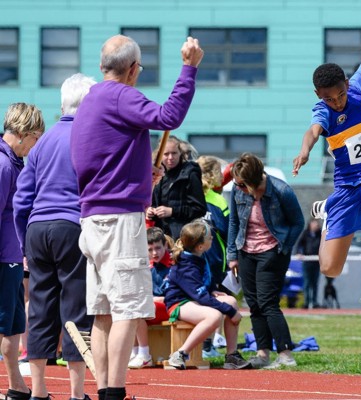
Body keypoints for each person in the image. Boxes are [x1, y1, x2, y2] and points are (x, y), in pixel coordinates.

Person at [70, 34, 203, 400]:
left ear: (103, 66)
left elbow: (98, 157)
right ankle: (114, 391)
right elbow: (169, 116)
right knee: (127, 309)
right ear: (131, 69)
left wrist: (142, 172)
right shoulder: (121, 95)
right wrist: (188, 69)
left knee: (101, 313)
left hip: (92, 217)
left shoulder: (91, 100)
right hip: (120, 220)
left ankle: (104, 390)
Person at [291, 0, 361, 277]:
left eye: (340, 95)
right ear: (319, 95)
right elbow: (312, 131)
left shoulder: (358, 89)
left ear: (347, 85)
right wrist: (304, 151)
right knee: (330, 268)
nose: (337, 102)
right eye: (329, 98)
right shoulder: (323, 111)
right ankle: (329, 210)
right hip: (346, 186)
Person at [13, 74, 96, 400]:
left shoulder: (42, 142)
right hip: (71, 226)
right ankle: (77, 394)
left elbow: (22, 200)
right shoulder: (89, 136)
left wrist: (24, 241)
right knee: (75, 310)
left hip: (36, 229)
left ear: (62, 103)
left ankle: (39, 391)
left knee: (40, 308)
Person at [227, 153, 304, 369]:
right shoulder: (237, 190)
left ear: (252, 182)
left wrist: (283, 248)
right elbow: (234, 222)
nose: (238, 187)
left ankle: (285, 354)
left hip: (273, 251)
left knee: (268, 302)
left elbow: (298, 222)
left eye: (242, 184)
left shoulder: (281, 190)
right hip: (246, 251)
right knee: (253, 304)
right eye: (237, 184)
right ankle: (262, 354)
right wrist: (232, 255)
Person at [0, 102, 45, 400]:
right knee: (7, 323)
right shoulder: (4, 166)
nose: (36, 145)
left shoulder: (13, 164)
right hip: (4, 258)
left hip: (12, 257)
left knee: (13, 324)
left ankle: (16, 386)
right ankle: (15, 385)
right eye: (36, 138)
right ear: (23, 133)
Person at [164, 220, 250, 370]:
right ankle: (180, 354)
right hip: (179, 303)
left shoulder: (198, 255)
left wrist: (211, 290)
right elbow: (201, 297)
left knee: (231, 301)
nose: (213, 238)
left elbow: (204, 278)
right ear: (200, 246)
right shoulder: (186, 266)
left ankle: (231, 356)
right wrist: (230, 312)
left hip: (193, 298)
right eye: (210, 237)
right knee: (215, 316)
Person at [196, 156, 231, 358]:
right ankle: (207, 345)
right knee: (212, 303)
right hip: (213, 261)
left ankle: (207, 344)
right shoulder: (217, 201)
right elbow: (227, 232)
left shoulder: (190, 195)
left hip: (197, 262)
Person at [128, 227, 173, 369]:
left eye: (158, 248)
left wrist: (153, 299)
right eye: (150, 249)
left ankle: (144, 354)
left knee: (140, 307)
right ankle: (134, 352)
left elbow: (173, 295)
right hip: (153, 305)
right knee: (128, 306)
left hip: (170, 307)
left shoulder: (174, 264)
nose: (154, 253)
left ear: (166, 245)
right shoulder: (147, 266)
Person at [148, 135, 207, 240]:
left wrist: (172, 211)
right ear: (160, 155)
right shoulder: (155, 173)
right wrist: (149, 210)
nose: (170, 157)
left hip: (182, 236)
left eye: (174, 153)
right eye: (166, 154)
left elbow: (199, 209)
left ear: (181, 153)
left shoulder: (190, 173)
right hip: (159, 236)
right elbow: (148, 201)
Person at [296, 219, 322, 309]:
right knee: (307, 283)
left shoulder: (320, 234)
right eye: (314, 224)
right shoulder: (305, 233)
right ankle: (306, 302)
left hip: (316, 262)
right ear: (310, 225)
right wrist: (299, 252)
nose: (316, 226)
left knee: (315, 283)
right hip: (307, 261)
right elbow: (299, 245)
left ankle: (314, 302)